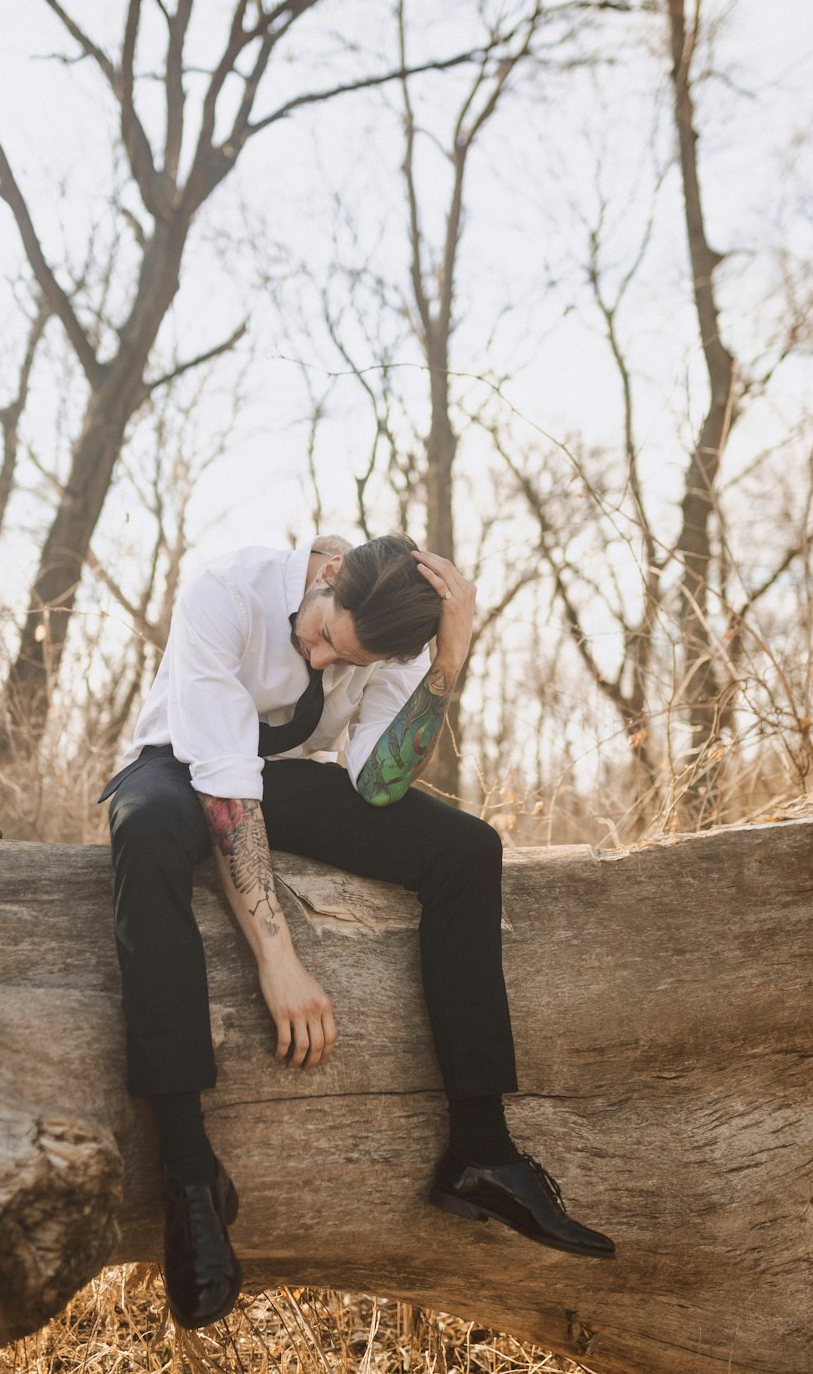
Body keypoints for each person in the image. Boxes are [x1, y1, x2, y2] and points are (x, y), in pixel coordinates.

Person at [100, 533, 614, 1329]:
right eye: (324, 637)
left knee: (467, 849)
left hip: (285, 780)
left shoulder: (391, 641)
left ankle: (480, 1150)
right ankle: (191, 1175)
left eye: (347, 659)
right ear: (329, 573)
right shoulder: (226, 588)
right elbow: (224, 785)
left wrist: (447, 663)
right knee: (143, 831)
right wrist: (280, 960)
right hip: (181, 764)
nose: (322, 660)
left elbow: (377, 781)